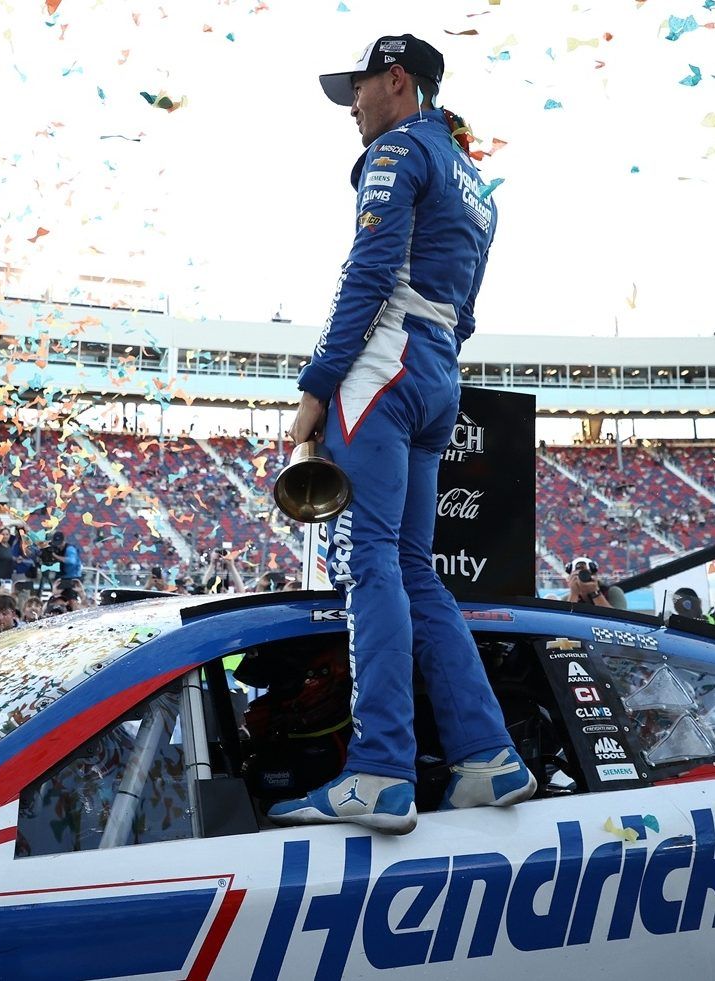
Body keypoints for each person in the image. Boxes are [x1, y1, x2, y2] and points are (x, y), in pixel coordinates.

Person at [272, 35, 534, 835]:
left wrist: (316, 387)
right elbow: (468, 311)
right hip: (436, 375)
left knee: (369, 562)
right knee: (415, 569)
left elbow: (367, 271)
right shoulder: (476, 181)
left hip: (381, 373)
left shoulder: (396, 150)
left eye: (357, 88)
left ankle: (379, 770)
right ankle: (486, 755)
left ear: (395, 81)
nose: (350, 105)